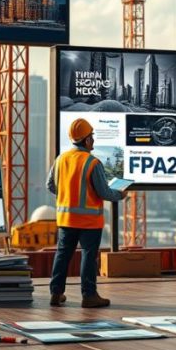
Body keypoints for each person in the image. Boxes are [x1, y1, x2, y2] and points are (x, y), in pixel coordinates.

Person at [47, 118, 126, 308]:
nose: (94, 140)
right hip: (89, 221)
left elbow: (50, 185)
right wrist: (120, 194)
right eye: (92, 137)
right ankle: (89, 296)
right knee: (89, 257)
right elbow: (104, 192)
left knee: (62, 255)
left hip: (66, 218)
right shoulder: (92, 162)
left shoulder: (60, 159)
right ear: (87, 140)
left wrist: (67, 194)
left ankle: (56, 294)